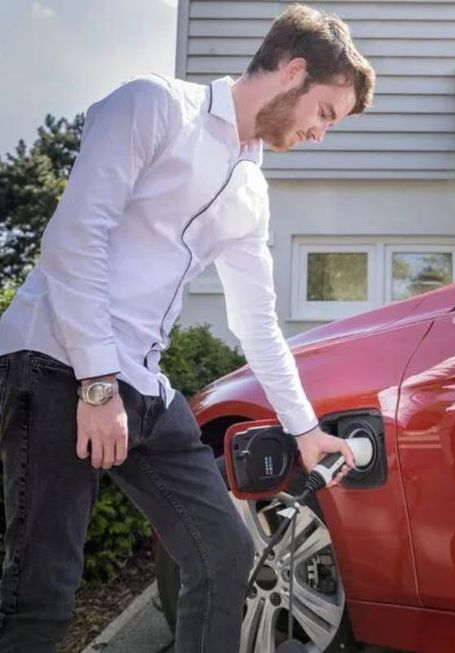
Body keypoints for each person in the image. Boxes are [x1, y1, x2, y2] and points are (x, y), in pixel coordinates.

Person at [0, 5, 374, 651]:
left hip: (143, 382)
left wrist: (306, 430)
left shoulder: (250, 186)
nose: (321, 132)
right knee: (45, 583)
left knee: (223, 552)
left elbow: (257, 320)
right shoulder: (154, 105)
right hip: (58, 360)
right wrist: (96, 384)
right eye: (325, 113)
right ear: (293, 71)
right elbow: (71, 240)